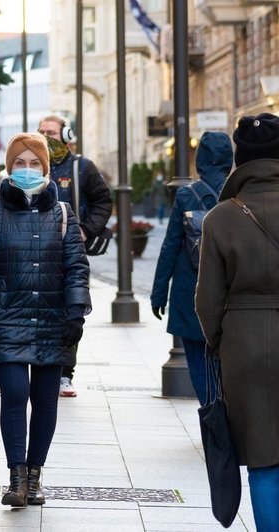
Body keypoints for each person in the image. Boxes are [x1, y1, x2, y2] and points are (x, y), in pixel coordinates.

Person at [0, 132, 91, 508]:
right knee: (16, 393)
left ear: (46, 168)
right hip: (7, 318)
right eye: (19, 163)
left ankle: (35, 476)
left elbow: (76, 268)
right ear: (9, 168)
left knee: (46, 400)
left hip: (52, 320)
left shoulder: (64, 214)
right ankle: (16, 477)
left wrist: (76, 311)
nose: (26, 169)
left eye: (34, 163)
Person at [196, 113, 279, 531]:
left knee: (264, 458)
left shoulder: (222, 217)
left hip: (245, 347)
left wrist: (220, 342)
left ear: (240, 160)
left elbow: (207, 302)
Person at [150, 131, 232, 404]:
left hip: (189, 294)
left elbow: (170, 246)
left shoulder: (186, 195)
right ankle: (228, 419)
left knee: (198, 363)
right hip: (228, 295)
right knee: (227, 364)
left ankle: (211, 418)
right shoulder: (236, 192)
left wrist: (158, 293)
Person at [38, 114, 112, 397]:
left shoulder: (82, 168)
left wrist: (85, 231)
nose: (46, 137)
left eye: (52, 133)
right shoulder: (32, 166)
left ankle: (64, 374)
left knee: (71, 309)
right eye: (41, 131)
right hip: (35, 250)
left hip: (70, 253)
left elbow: (104, 200)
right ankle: (41, 365)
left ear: (67, 136)